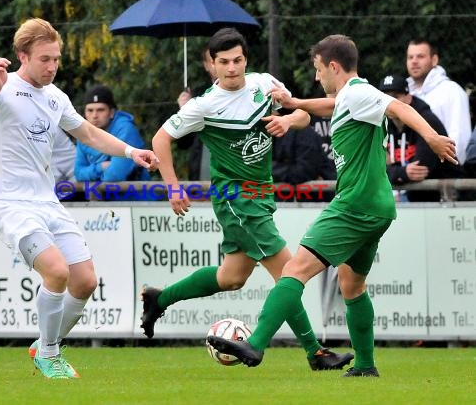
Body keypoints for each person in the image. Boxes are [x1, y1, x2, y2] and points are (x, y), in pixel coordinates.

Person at [207, 34, 457, 377]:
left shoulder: (359, 93)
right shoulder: (351, 97)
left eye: (318, 69)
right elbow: (332, 105)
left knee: (294, 270)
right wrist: (294, 101)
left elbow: (399, 107)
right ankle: (366, 366)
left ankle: (257, 343)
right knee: (352, 285)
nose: (316, 76)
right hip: (377, 206)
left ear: (333, 66)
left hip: (355, 204)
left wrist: (431, 137)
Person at [142, 27, 354, 372]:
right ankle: (316, 352)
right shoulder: (204, 106)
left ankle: (159, 299)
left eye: (237, 60)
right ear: (212, 64)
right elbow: (160, 138)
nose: (231, 68)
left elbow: (302, 114)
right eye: (223, 62)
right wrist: (173, 187)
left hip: (260, 194)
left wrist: (288, 120)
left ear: (246, 60)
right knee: (289, 273)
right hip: (235, 199)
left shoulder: (263, 83)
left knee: (231, 277)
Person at [0, 18, 158, 379]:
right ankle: (49, 354)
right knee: (56, 270)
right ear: (22, 56)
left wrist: (131, 151)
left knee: (84, 281)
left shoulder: (55, 97)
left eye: (57, 59)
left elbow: (90, 134)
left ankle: (43, 344)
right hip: (8, 202)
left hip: (45, 200)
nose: (52, 66)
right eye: (44, 59)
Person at [380, 74, 464, 201]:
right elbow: (371, 167)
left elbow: (420, 170)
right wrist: (401, 172)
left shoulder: (426, 120)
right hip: (410, 195)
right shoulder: (381, 123)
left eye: (395, 97)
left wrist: (391, 170)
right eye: (385, 98)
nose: (390, 104)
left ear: (408, 97)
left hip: (446, 197)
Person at [406, 38, 471, 164]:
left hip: (444, 174)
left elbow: (460, 138)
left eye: (420, 56)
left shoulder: (451, 91)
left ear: (434, 60)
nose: (414, 61)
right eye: (410, 57)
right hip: (409, 171)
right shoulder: (405, 94)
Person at [75, 84, 150, 183]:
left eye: (100, 110)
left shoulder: (125, 129)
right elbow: (78, 174)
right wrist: (100, 167)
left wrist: (91, 175)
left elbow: (114, 176)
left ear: (111, 113)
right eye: (90, 110)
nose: (94, 116)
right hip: (102, 196)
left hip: (135, 196)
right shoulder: (84, 131)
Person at [176, 46, 217, 181]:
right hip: (202, 176)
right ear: (206, 65)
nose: (216, 64)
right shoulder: (195, 96)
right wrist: (183, 112)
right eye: (212, 60)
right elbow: (183, 143)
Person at [272, 124, 334, 202]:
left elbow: (303, 172)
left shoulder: (304, 133)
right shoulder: (269, 134)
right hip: (284, 201)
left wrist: (272, 170)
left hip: (316, 202)